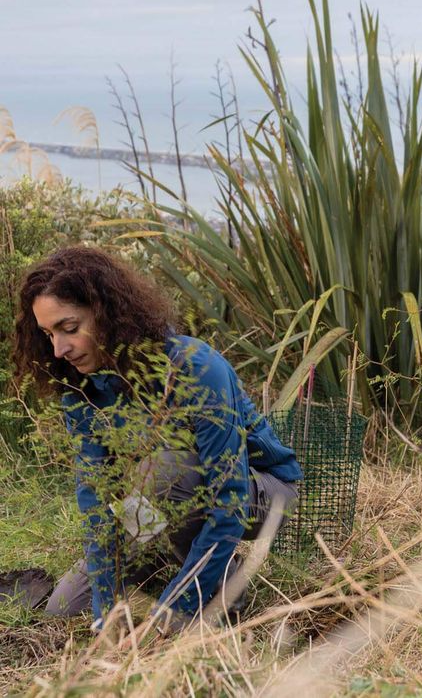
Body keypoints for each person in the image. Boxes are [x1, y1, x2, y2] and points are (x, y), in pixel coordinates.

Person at [13, 246, 302, 630]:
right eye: (48, 334)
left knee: (164, 472)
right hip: (163, 496)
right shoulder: (82, 392)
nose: (59, 349)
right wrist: (106, 613)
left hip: (261, 494)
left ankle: (219, 589)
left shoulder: (196, 368)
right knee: (66, 605)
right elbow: (97, 503)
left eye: (69, 329)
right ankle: (174, 557)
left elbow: (228, 501)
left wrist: (173, 608)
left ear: (107, 314)